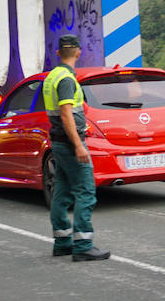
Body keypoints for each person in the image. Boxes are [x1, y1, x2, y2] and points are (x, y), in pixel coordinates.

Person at [41, 34, 110, 261]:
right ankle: (83, 245)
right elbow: (66, 113)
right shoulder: (67, 80)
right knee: (86, 191)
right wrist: (79, 145)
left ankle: (62, 242)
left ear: (58, 53)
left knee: (61, 191)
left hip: (59, 142)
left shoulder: (53, 76)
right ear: (78, 53)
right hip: (70, 143)